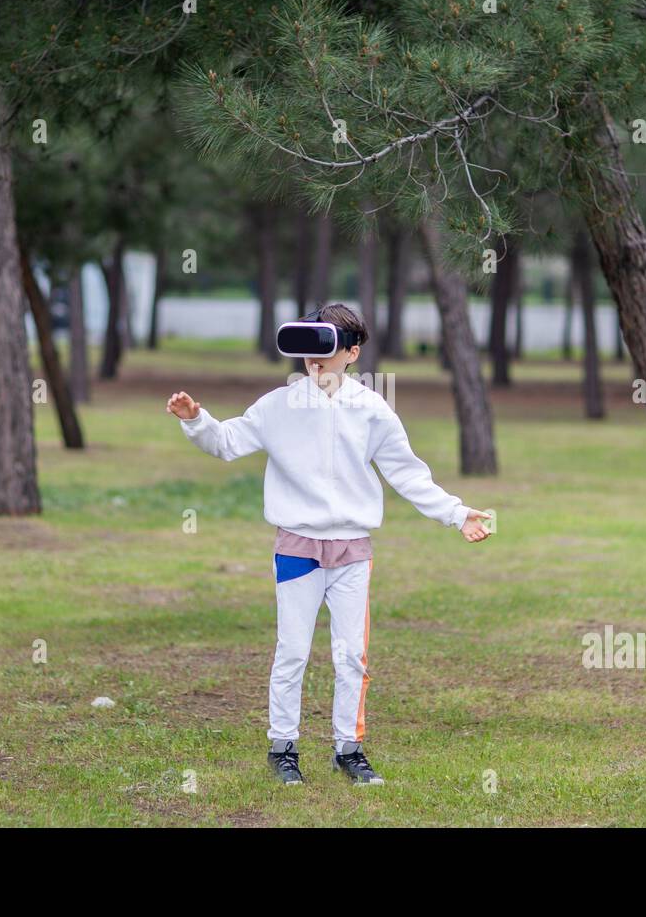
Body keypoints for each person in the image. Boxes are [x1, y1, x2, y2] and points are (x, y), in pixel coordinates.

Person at [166, 303, 491, 785]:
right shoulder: (278, 405)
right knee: (292, 651)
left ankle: (349, 750)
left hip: (351, 551)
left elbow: (406, 472)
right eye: (307, 349)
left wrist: (456, 513)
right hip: (297, 547)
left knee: (350, 655)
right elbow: (228, 442)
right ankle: (283, 749)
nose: (314, 361)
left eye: (326, 348)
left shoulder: (371, 409)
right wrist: (197, 420)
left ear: (352, 352)